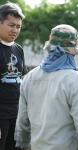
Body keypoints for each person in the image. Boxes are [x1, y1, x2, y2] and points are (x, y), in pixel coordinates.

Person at [14, 24, 78, 150]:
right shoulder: (76, 81)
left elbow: (22, 121)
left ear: (50, 49)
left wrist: (24, 144)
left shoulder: (30, 77)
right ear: (72, 52)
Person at [0, 2, 28, 150]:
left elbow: (24, 79)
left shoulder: (19, 49)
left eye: (18, 26)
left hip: (17, 114)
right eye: (11, 25)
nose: (15, 30)